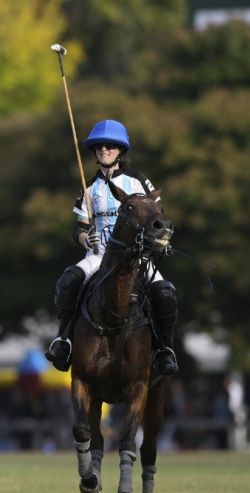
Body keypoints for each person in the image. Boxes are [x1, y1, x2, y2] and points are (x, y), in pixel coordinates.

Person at [44, 119, 178, 376]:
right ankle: (64, 341)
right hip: (99, 256)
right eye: (99, 146)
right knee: (68, 281)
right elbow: (79, 229)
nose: (104, 149)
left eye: (111, 146)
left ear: (120, 151)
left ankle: (164, 350)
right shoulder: (89, 187)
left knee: (165, 294)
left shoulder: (137, 180)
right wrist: (86, 239)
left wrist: (157, 241)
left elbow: (157, 217)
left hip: (136, 257)